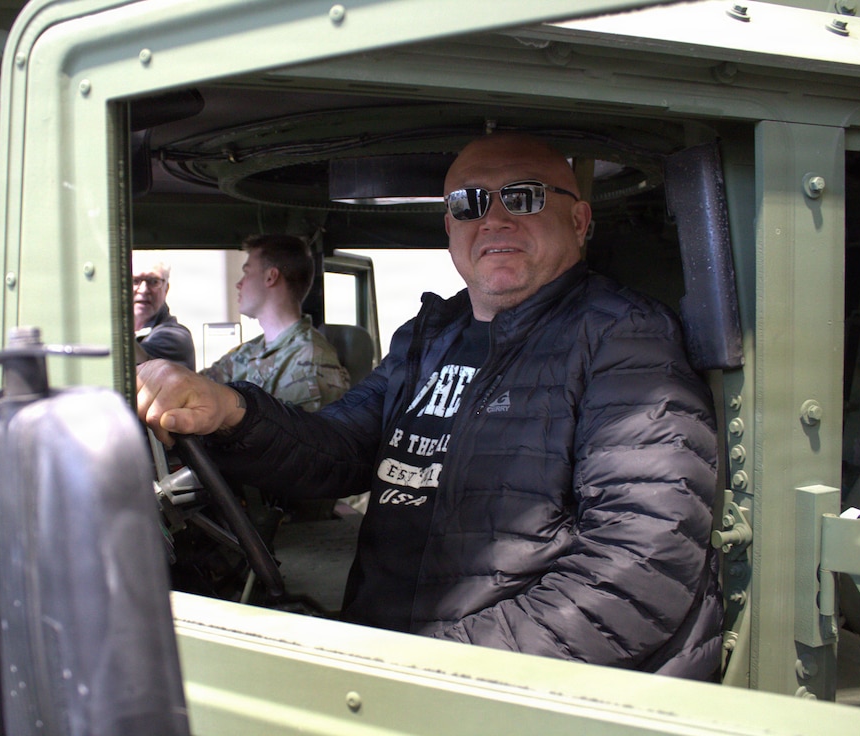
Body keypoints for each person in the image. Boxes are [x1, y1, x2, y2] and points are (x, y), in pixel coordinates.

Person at [137, 133, 721, 679]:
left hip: (511, 688)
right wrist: (231, 411)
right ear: (449, 227)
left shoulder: (624, 337)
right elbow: (336, 451)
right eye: (468, 203)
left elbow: (642, 564)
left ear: (578, 218)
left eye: (524, 196)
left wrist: (435, 670)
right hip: (398, 661)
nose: (493, 217)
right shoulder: (429, 335)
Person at [201, 234, 349, 412]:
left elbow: (303, 438)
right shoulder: (250, 351)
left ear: (271, 277)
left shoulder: (311, 362)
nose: (239, 284)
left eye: (247, 273)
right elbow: (199, 387)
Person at [133, 253, 196, 370]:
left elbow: (138, 361)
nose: (144, 290)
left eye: (153, 282)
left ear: (166, 289)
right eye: (135, 281)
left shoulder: (175, 338)